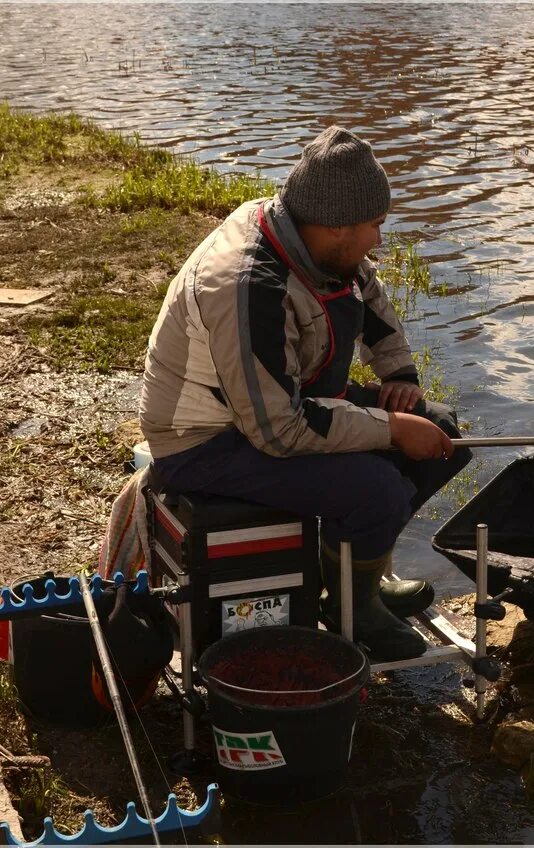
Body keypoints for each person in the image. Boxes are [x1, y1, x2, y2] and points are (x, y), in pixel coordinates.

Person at [139, 125, 472, 661]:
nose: (379, 240)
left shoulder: (313, 237)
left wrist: (400, 379)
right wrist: (390, 429)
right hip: (205, 441)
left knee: (444, 433)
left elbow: (369, 294)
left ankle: (357, 575)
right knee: (378, 487)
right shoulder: (248, 283)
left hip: (274, 405)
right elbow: (279, 430)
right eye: (374, 226)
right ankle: (352, 611)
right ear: (338, 227)